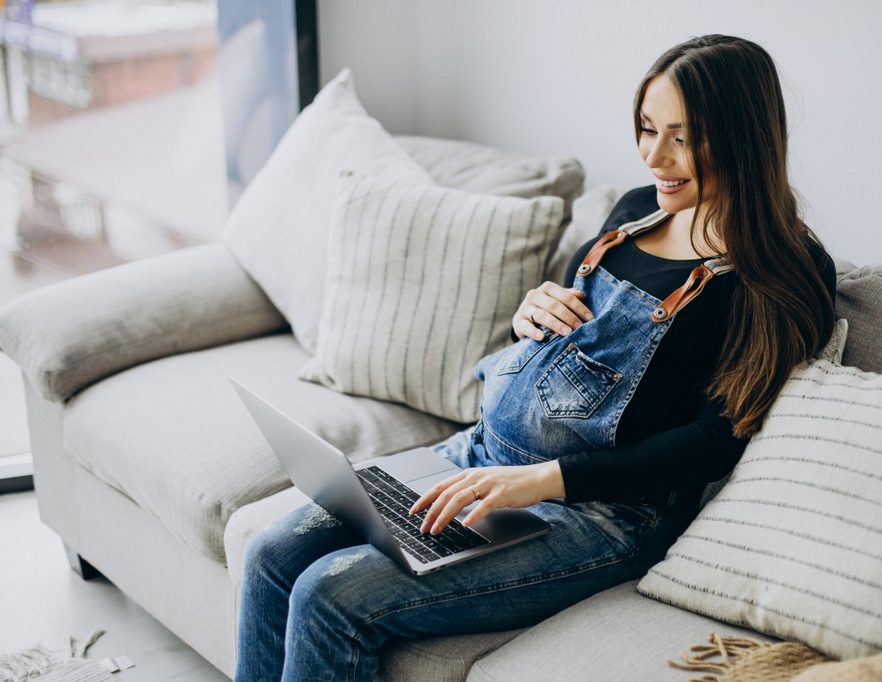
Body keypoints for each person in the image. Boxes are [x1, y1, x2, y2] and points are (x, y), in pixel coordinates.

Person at [235, 34, 837, 681]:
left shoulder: (782, 272)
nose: (654, 156)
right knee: (273, 551)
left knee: (333, 594)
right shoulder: (635, 211)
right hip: (479, 457)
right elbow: (575, 342)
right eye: (646, 128)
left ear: (743, 137)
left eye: (682, 138)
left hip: (600, 515)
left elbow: (716, 442)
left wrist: (545, 480)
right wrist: (533, 314)